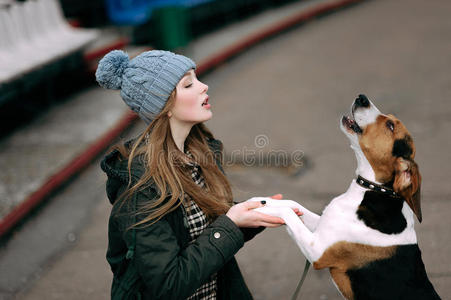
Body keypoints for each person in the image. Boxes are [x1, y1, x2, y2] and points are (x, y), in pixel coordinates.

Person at [96, 50, 301, 300]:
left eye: (197, 78)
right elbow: (168, 285)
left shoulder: (198, 153)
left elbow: (200, 236)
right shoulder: (141, 186)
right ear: (165, 106)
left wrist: (248, 217)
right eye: (188, 84)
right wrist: (230, 224)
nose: (204, 87)